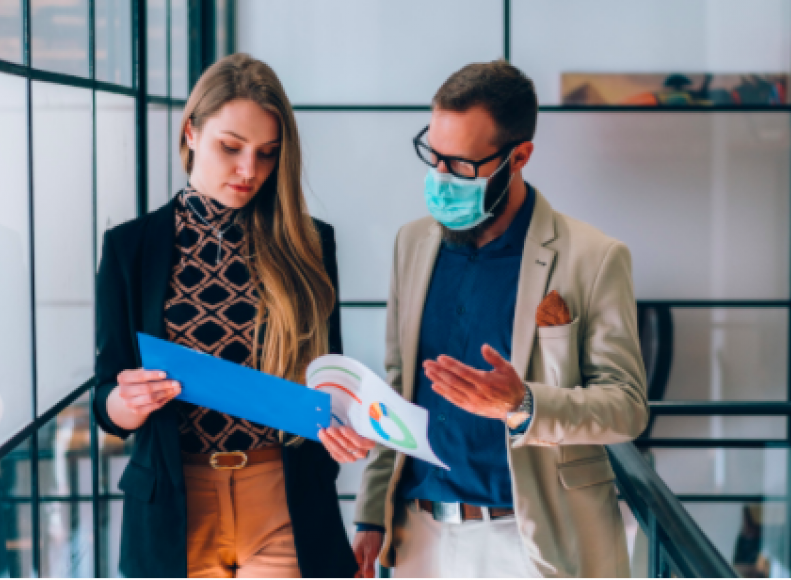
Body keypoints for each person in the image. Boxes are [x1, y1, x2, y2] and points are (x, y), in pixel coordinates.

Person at [351, 60, 650, 578]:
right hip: (417, 537)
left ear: (519, 157)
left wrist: (524, 404)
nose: (441, 177)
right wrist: (369, 515)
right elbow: (398, 388)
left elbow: (626, 409)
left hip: (533, 541)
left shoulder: (594, 257)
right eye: (434, 156)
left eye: (462, 164)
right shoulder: (412, 242)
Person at [94, 53, 372, 578]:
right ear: (191, 131)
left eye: (268, 154)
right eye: (231, 147)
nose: (250, 171)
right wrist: (125, 402)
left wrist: (342, 418)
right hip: (176, 506)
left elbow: (325, 378)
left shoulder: (310, 243)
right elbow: (106, 397)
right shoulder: (129, 248)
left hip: (283, 499)